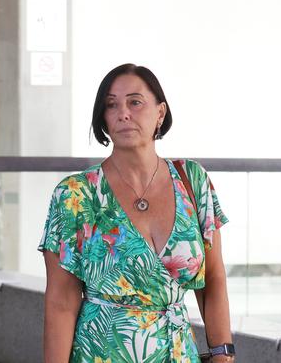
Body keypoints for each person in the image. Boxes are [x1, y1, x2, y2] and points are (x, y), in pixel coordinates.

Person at [39, 64, 235, 362]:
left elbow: (214, 278)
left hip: (179, 353)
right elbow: (61, 302)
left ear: (160, 112)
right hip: (101, 353)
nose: (123, 113)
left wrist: (223, 353)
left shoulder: (192, 180)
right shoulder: (75, 194)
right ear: (103, 118)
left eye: (135, 102)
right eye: (111, 105)